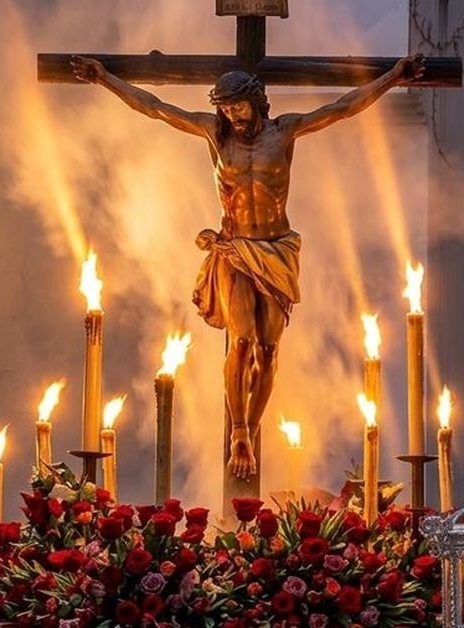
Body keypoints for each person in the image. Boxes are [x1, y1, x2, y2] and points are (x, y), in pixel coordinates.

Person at [70, 54, 423, 479]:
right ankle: (239, 430)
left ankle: (252, 426)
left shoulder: (284, 131)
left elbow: (343, 107)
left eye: (238, 106)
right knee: (240, 340)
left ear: (256, 101)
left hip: (276, 250)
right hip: (234, 249)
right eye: (225, 108)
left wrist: (393, 77)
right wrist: (105, 78)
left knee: (268, 348)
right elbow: (155, 107)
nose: (232, 115)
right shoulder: (215, 134)